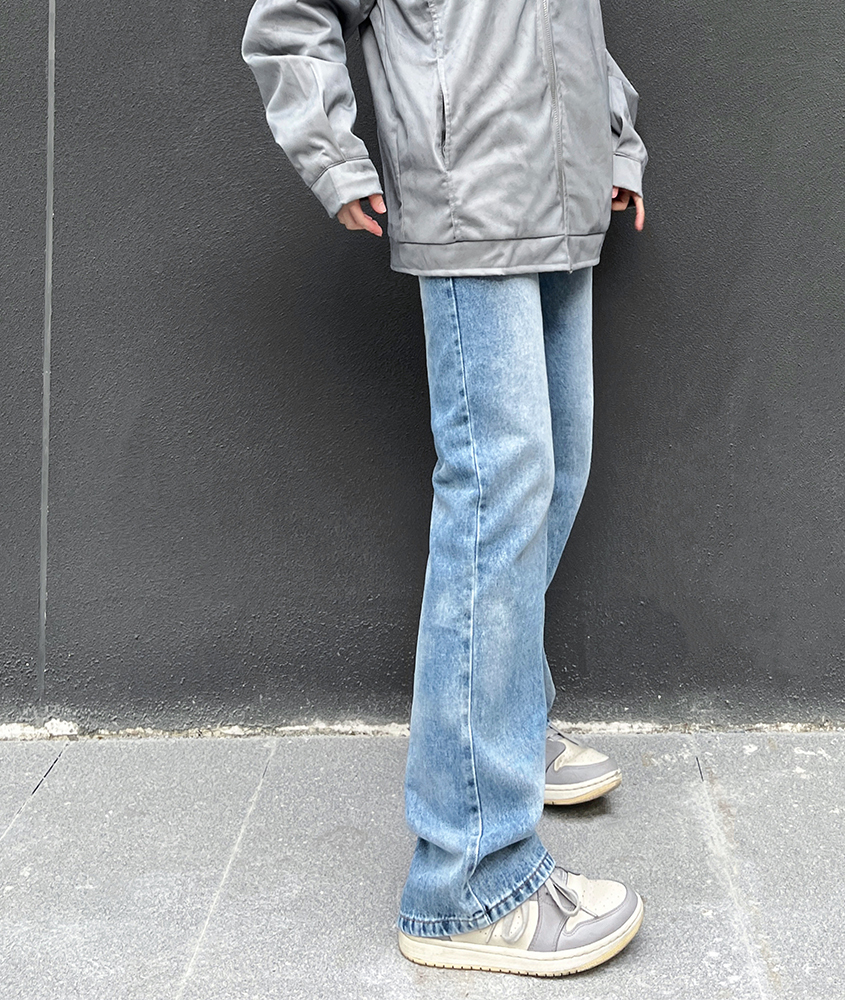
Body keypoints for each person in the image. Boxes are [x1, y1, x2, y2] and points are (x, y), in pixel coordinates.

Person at [242, 0, 648, 977]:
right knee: (496, 492)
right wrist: (332, 155)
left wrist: (613, 136)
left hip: (562, 192)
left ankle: (504, 728)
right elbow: (288, 16)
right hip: (470, 198)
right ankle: (469, 879)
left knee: (553, 474)